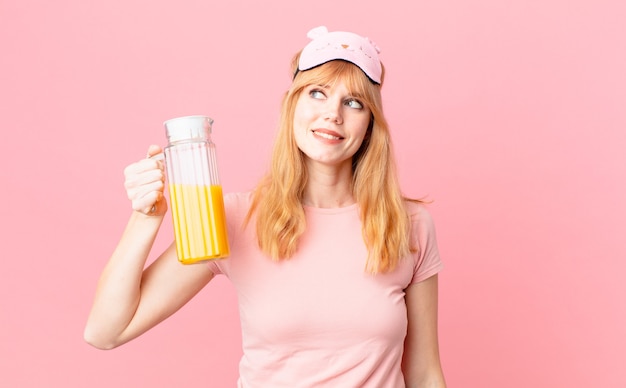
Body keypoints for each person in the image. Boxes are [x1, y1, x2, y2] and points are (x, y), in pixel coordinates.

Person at [84, 26, 446, 387]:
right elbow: (105, 332)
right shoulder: (235, 219)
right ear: (292, 107)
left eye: (354, 103)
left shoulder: (409, 224)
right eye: (317, 93)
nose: (332, 114)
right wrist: (146, 217)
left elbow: (425, 372)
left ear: (370, 125)